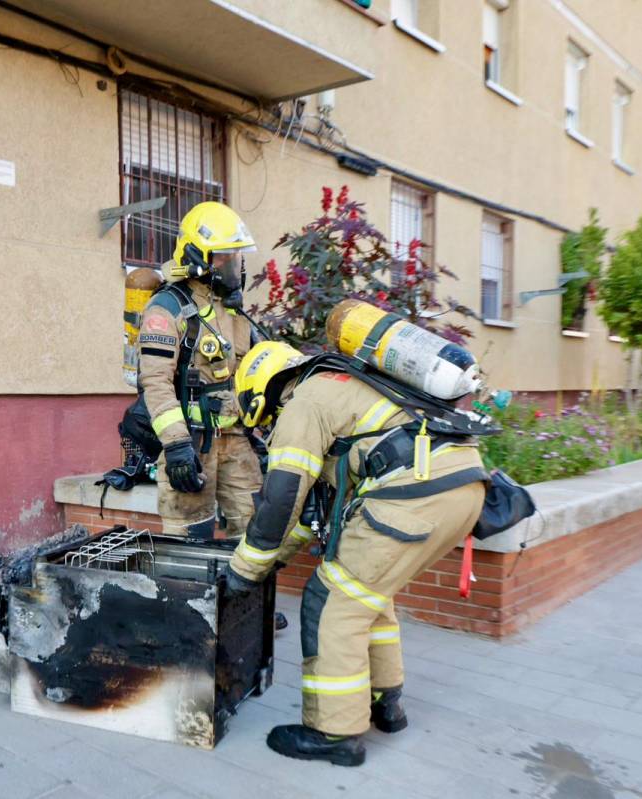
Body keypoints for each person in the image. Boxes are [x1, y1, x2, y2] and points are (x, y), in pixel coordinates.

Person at [225, 340, 487, 767]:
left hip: (414, 494)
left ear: (264, 394)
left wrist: (244, 569)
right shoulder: (344, 387)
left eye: (266, 419)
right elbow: (310, 517)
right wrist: (275, 561)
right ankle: (388, 702)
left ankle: (334, 733)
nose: (271, 428)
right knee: (367, 594)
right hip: (461, 486)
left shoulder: (304, 401)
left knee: (330, 602)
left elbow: (283, 494)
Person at [136, 201, 263, 541]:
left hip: (236, 440)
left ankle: (242, 596)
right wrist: (177, 446)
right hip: (191, 441)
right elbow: (155, 381)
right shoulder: (168, 308)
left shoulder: (232, 309)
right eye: (223, 256)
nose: (233, 264)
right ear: (197, 257)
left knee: (256, 530)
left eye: (236, 256)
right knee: (188, 536)